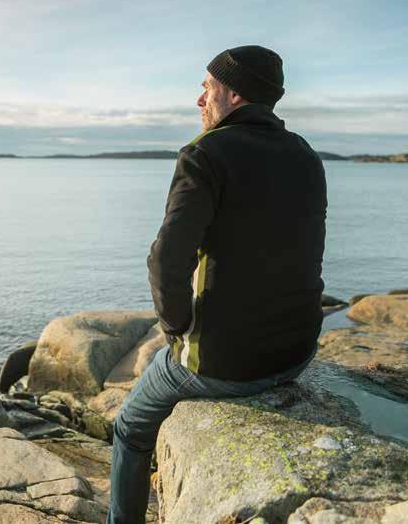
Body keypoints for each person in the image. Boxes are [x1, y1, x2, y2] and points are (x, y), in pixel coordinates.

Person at [107, 45, 327, 524]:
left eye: (206, 87)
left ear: (234, 92)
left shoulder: (205, 154)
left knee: (128, 427)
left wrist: (176, 329)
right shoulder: (306, 155)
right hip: (297, 352)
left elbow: (166, 260)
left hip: (229, 364)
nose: (199, 99)